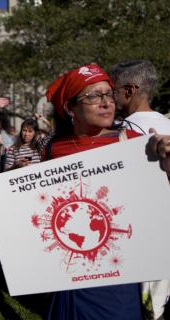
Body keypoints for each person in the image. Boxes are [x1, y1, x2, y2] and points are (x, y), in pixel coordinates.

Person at [44, 63, 145, 319]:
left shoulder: (133, 142)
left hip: (117, 276)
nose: (106, 103)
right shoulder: (53, 149)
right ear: (70, 108)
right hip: (66, 276)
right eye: (92, 96)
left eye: (108, 94)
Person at [111, 59, 170, 319]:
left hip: (142, 237)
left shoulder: (124, 133)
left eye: (113, 90)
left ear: (130, 90)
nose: (109, 98)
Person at [111, 59, 170, 135]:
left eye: (113, 90)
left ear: (129, 90)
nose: (110, 95)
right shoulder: (167, 123)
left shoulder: (124, 130)